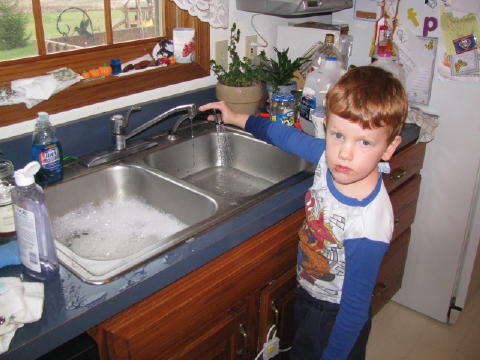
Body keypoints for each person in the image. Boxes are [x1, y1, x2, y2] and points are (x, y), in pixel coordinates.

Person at [199, 65, 408, 360]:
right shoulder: (327, 158)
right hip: (310, 292)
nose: (344, 153)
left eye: (364, 142)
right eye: (337, 135)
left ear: (388, 148)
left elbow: (354, 312)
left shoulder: (368, 223)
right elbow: (281, 135)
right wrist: (236, 117)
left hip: (334, 316)